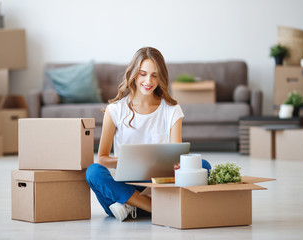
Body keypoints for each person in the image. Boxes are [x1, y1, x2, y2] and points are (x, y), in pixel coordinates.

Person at [86, 47, 211, 222]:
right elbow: (103, 159)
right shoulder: (115, 110)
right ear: (133, 74)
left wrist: (176, 164)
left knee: (202, 165)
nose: (148, 80)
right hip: (125, 187)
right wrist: (133, 162)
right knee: (93, 172)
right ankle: (153, 207)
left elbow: (178, 157)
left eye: (154, 75)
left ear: (161, 77)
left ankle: (131, 206)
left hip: (158, 185)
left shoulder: (171, 110)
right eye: (143, 74)